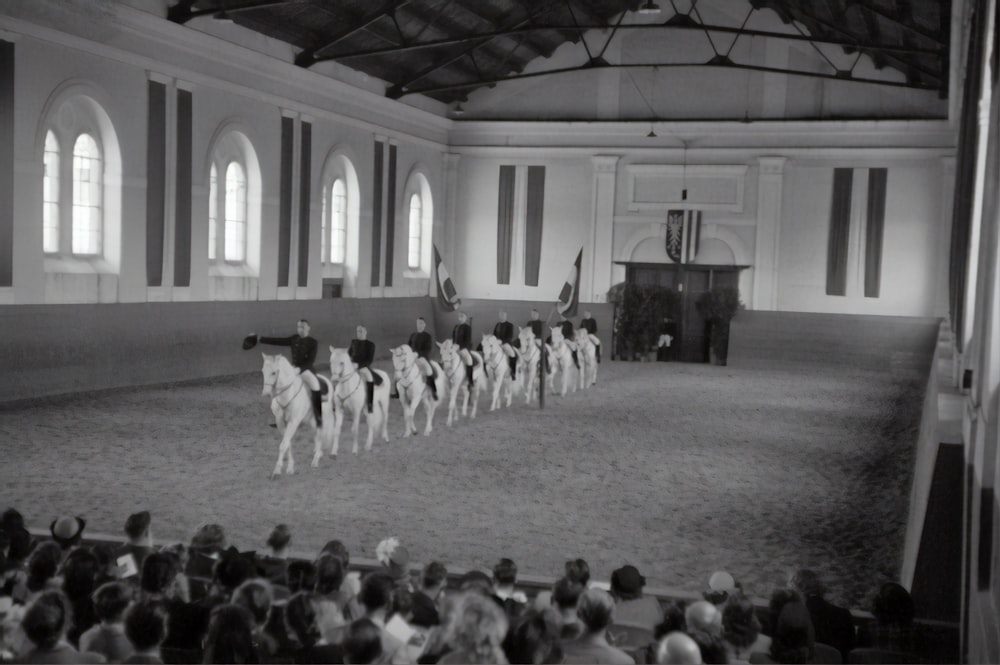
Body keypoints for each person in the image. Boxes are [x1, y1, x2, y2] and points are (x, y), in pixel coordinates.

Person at [246, 319, 324, 426]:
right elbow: (278, 341)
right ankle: (279, 417)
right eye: (298, 327)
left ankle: (318, 417)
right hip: (292, 370)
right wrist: (260, 339)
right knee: (278, 386)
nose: (300, 329)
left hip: (306, 370)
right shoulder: (294, 338)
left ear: (308, 328)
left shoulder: (313, 342)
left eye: (303, 327)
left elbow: (311, 361)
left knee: (316, 387)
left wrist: (300, 369)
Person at [349, 326, 383, 414]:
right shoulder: (353, 342)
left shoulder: (370, 345)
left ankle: (369, 404)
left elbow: (369, 360)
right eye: (357, 331)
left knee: (369, 378)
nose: (359, 333)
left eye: (361, 331)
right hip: (352, 366)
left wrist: (358, 365)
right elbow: (349, 354)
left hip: (363, 366)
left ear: (365, 332)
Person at [407, 317, 438, 400]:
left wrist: (418, 354)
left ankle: (433, 391)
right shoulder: (413, 335)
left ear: (424, 325)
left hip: (422, 358)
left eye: (421, 323)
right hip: (412, 358)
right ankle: (399, 391)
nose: (419, 325)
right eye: (418, 323)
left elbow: (428, 349)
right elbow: (409, 347)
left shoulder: (427, 336)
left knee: (429, 370)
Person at [451, 312, 475, 391]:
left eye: (463, 316)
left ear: (465, 318)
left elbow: (467, 340)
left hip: (464, 347)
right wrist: (454, 345)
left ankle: (470, 380)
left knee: (469, 360)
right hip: (455, 347)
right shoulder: (456, 327)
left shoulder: (468, 328)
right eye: (460, 316)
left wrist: (460, 347)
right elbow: (453, 338)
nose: (461, 318)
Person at [492, 311, 517, 380]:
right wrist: (494, 341)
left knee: (512, 355)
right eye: (500, 315)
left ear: (506, 316)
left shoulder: (510, 325)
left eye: (503, 315)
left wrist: (502, 341)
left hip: (506, 343)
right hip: (497, 344)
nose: (502, 316)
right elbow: (494, 335)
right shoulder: (497, 325)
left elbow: (510, 336)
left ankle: (513, 372)